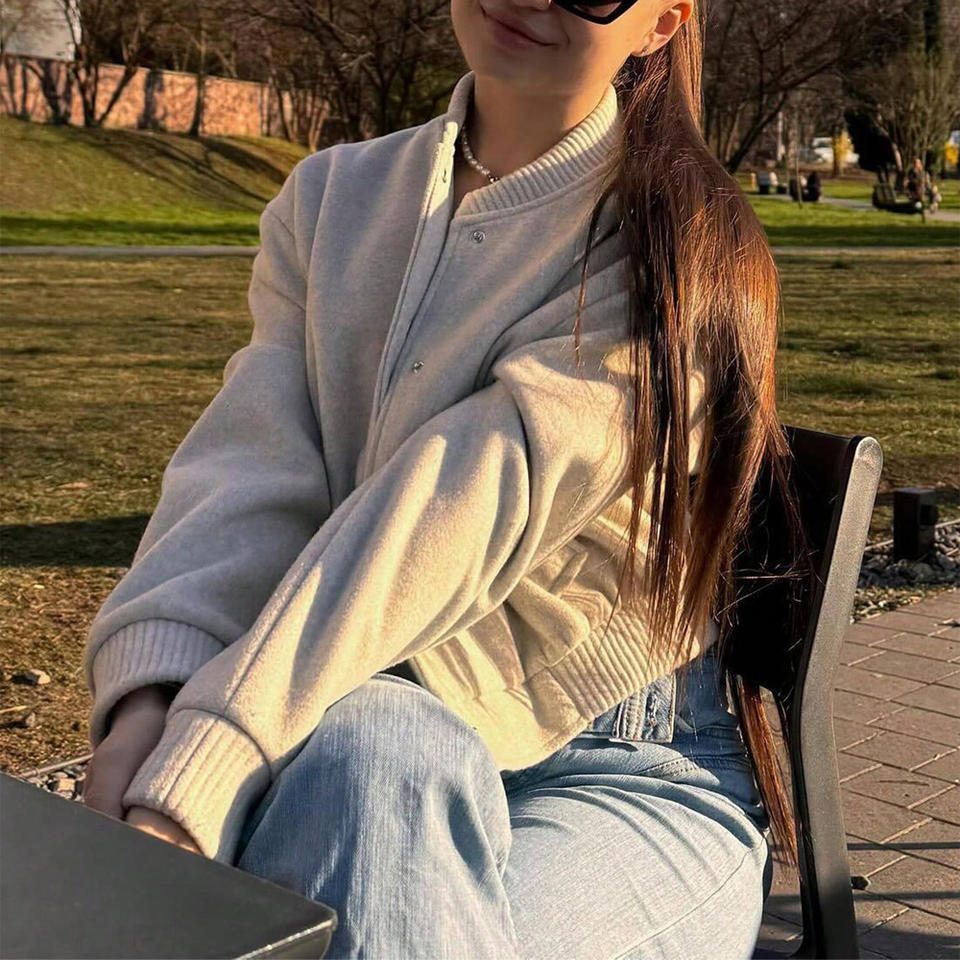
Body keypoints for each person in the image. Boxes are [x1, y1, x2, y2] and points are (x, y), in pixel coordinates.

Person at [80, 0, 812, 956]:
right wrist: (152, 695)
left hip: (622, 765)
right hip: (343, 715)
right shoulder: (332, 197)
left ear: (662, 25)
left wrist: (214, 752)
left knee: (370, 751)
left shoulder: (679, 244)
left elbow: (459, 507)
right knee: (372, 744)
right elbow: (249, 469)